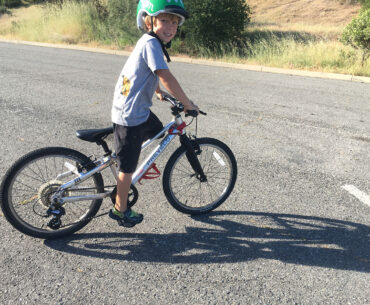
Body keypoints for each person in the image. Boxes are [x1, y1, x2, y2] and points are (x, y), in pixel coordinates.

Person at [110, 0, 199, 227]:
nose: (170, 27)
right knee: (126, 169)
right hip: (130, 115)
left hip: (136, 110)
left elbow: (145, 72)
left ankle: (137, 161)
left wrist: (157, 92)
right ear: (148, 21)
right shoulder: (151, 43)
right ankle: (120, 209)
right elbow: (164, 75)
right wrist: (187, 103)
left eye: (175, 22)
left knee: (159, 131)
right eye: (164, 20)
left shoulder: (149, 43)